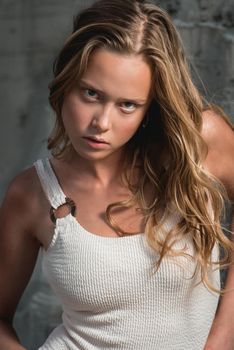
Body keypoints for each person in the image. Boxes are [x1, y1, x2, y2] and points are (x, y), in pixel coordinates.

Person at [0, 0, 233, 349]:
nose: (101, 123)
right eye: (91, 93)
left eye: (127, 105)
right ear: (66, 83)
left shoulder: (200, 144)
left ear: (149, 106)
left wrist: (222, 337)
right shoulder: (33, 193)